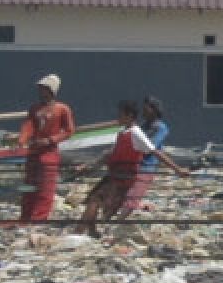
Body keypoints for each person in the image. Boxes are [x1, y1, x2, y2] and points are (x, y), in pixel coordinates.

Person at [75, 100, 188, 237]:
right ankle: (90, 232)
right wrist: (88, 166)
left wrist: (177, 169)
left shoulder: (137, 133)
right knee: (95, 199)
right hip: (115, 173)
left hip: (124, 176)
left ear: (129, 116)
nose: (118, 118)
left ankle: (81, 232)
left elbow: (155, 152)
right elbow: (110, 153)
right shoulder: (125, 132)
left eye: (121, 115)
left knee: (98, 200)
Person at [18, 74, 75, 222]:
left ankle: (39, 218)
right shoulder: (34, 108)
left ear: (51, 91)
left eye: (44, 89)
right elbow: (28, 125)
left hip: (49, 153)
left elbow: (69, 131)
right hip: (33, 151)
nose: (41, 92)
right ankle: (25, 216)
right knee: (28, 185)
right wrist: (22, 140)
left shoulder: (62, 109)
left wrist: (50, 140)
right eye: (40, 89)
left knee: (46, 187)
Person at [120, 95, 170, 216]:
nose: (143, 111)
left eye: (146, 108)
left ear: (154, 110)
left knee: (132, 198)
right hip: (132, 166)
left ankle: (118, 223)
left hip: (146, 167)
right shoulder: (142, 127)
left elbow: (150, 147)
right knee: (126, 197)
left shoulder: (160, 127)